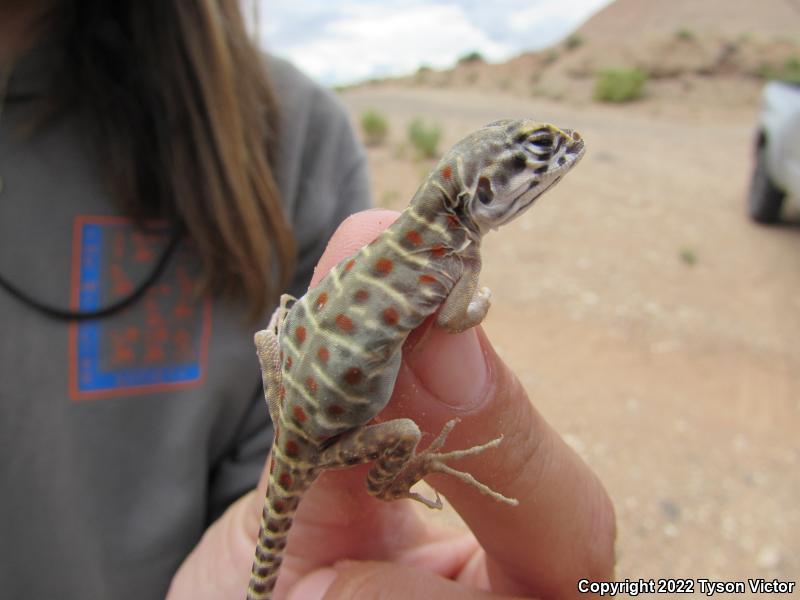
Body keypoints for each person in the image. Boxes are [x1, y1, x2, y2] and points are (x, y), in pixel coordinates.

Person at [0, 2, 616, 599]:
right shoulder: (446, 256)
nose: (552, 162)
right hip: (320, 434)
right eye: (535, 155)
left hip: (296, 420)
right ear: (481, 189)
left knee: (282, 348)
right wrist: (476, 310)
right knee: (402, 429)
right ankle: (394, 474)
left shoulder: (407, 236)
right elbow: (456, 317)